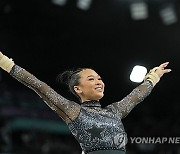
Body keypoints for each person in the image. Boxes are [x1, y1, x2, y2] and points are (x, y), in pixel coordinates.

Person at [0, 51, 171, 154]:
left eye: (99, 78)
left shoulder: (115, 111)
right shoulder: (74, 111)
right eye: (91, 79)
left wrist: (154, 76)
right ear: (78, 89)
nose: (99, 82)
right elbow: (40, 87)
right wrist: (5, 62)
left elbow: (137, 95)